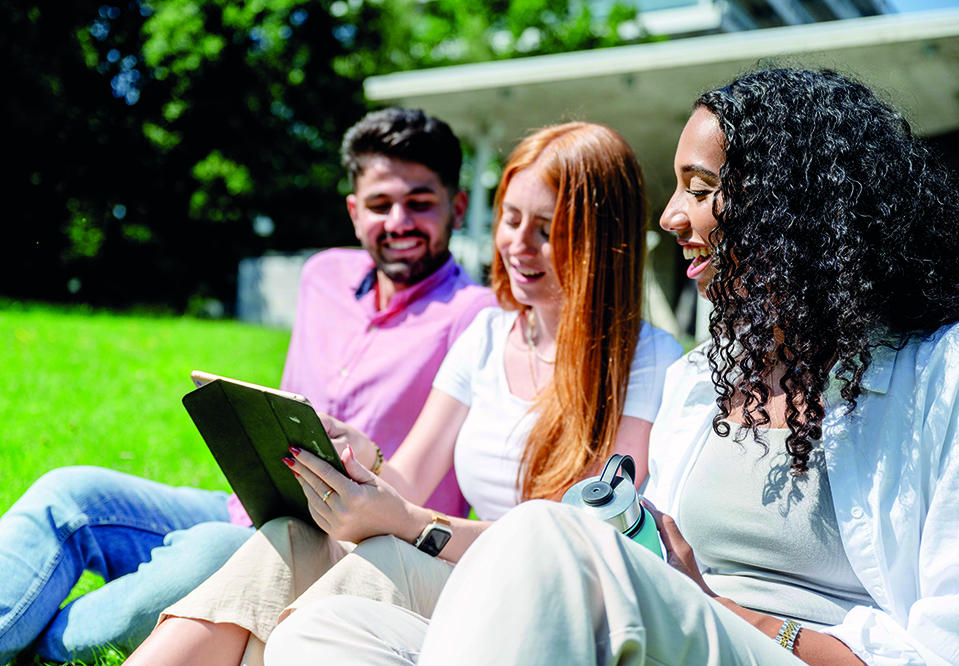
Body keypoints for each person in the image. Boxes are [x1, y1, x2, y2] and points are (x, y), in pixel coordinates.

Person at [264, 68, 959, 666]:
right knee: (336, 622)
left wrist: (710, 603)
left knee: (548, 535)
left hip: (769, 644)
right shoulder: (702, 382)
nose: (669, 215)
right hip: (661, 625)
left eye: (698, 186)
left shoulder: (937, 377)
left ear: (792, 207)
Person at [122, 121, 682, 666]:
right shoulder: (488, 336)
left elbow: (581, 544)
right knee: (288, 536)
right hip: (468, 571)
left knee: (379, 561)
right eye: (510, 218)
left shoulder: (646, 359)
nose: (516, 244)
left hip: (557, 605)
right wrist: (358, 459)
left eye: (547, 229)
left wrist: (414, 523)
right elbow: (408, 477)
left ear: (601, 240)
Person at [0, 107, 492, 666]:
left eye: (421, 202)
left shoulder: (476, 318)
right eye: (381, 205)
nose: (400, 221)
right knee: (68, 493)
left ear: (457, 208)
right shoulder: (323, 277)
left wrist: (368, 455)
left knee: (208, 559)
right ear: (355, 213)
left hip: (334, 549)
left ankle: (24, 638)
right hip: (241, 509)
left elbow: (421, 497)